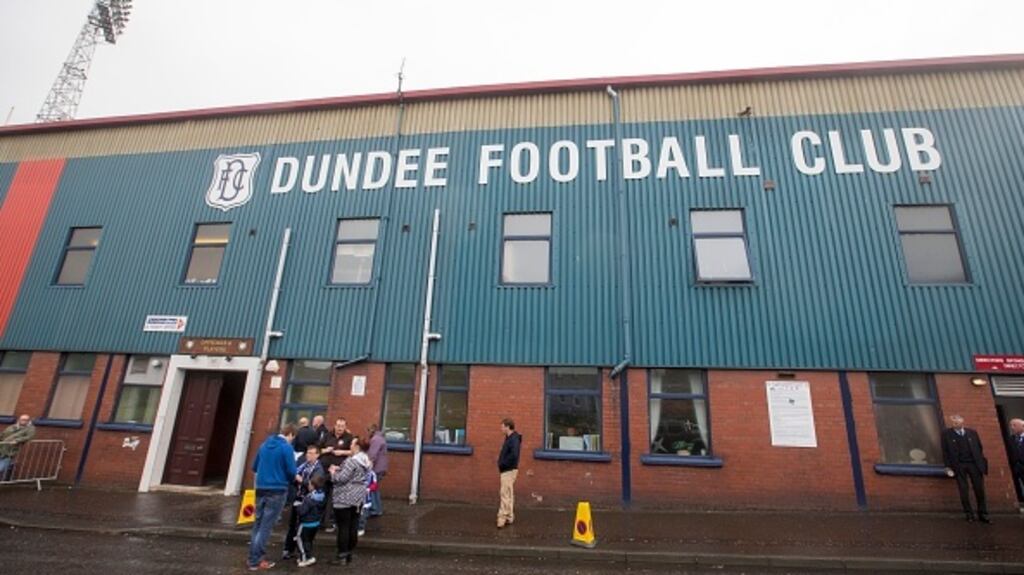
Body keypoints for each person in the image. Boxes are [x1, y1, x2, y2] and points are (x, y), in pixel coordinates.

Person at [247, 423, 298, 571]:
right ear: (290, 435)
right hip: (277, 490)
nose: (292, 441)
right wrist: (291, 478)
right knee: (266, 527)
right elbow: (291, 471)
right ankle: (256, 561)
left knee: (257, 525)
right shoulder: (286, 448)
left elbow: (255, 467)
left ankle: (252, 557)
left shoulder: (264, 445)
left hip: (261, 489)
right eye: (292, 438)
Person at [329, 436, 371, 565]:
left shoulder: (351, 461)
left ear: (357, 447)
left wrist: (333, 472)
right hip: (358, 497)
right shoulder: (366, 462)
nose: (350, 446)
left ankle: (341, 555)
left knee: (343, 527)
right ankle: (349, 553)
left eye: (352, 444)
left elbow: (341, 479)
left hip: (344, 497)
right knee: (353, 526)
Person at [941, 414, 989, 523]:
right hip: (959, 465)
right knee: (963, 490)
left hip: (974, 464)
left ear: (962, 422)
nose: (955, 424)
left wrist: (980, 462)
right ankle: (969, 514)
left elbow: (979, 448)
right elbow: (945, 452)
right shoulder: (946, 434)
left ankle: (983, 514)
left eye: (957, 422)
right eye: (953, 422)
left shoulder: (972, 433)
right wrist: (948, 467)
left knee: (979, 489)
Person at [282, 444, 326, 562]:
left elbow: (314, 484)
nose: (309, 456)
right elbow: (294, 474)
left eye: (312, 453)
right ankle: (288, 549)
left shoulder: (318, 469)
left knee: (302, 528)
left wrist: (301, 480)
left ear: (317, 455)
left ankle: (304, 552)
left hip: (308, 501)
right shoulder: (304, 465)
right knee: (292, 525)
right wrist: (295, 478)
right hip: (299, 497)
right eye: (308, 453)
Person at [319, 418, 353, 532]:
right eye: (338, 426)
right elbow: (317, 449)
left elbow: (354, 452)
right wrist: (326, 450)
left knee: (333, 497)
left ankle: (329, 522)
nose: (339, 428)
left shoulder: (349, 438)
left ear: (345, 427)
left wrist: (342, 452)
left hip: (339, 472)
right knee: (322, 494)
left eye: (342, 426)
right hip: (325, 470)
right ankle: (319, 520)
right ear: (334, 425)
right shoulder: (327, 435)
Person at [294, 473, 327, 568]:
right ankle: (308, 555)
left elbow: (302, 511)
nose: (308, 486)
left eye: (309, 484)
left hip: (306, 523)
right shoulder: (322, 496)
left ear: (313, 486)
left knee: (300, 540)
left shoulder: (309, 499)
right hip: (315, 523)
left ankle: (305, 558)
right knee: (309, 541)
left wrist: (298, 506)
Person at [496, 418, 522, 528]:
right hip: (509, 469)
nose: (501, 428)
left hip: (508, 470)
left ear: (507, 426)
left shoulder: (513, 439)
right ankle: (510, 516)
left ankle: (502, 518)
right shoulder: (510, 438)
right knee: (509, 493)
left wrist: (502, 463)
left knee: (504, 494)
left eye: (502, 426)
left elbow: (514, 455)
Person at [0, 414, 36, 481]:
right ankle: (8, 474)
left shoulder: (30, 428)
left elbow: (29, 437)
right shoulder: (12, 427)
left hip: (10, 450)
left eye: (26, 420)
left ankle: (7, 475)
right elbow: (3, 434)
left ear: (28, 421)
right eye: (22, 419)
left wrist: (17, 440)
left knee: (1, 467)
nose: (23, 421)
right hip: (1, 447)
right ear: (19, 419)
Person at [366, 423, 389, 517]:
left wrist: (367, 465)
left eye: (368, 431)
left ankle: (375, 509)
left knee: (373, 488)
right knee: (376, 489)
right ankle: (377, 509)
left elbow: (372, 455)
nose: (368, 433)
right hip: (381, 467)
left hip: (377, 468)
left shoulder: (375, 439)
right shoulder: (381, 438)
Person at [1008, 418, 1024, 501]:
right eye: (1011, 425)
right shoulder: (1011, 439)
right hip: (1018, 468)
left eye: (1014, 425)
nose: (1012, 427)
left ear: (1022, 426)